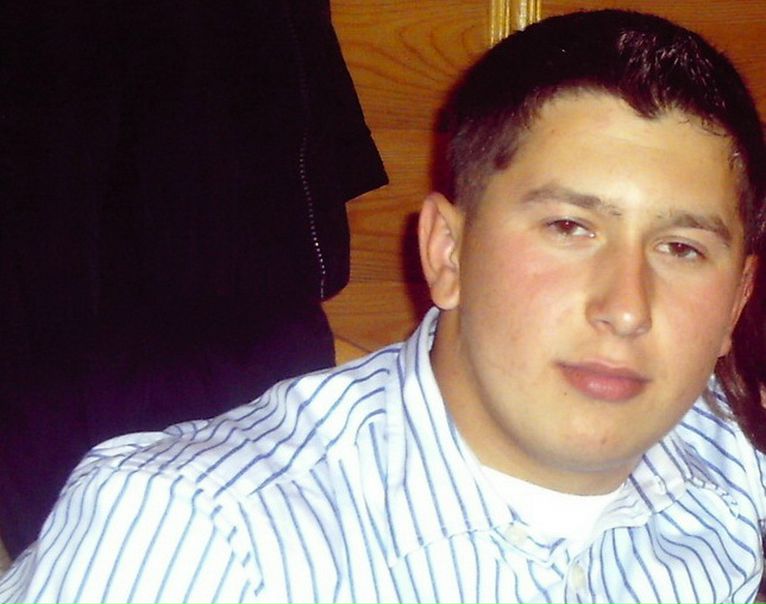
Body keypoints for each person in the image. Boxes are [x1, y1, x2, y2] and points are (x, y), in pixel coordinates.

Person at [2, 8, 766, 603]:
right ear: (447, 254)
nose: (626, 308)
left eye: (682, 248)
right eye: (569, 228)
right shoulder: (196, 537)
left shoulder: (735, 478)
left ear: (736, 301)